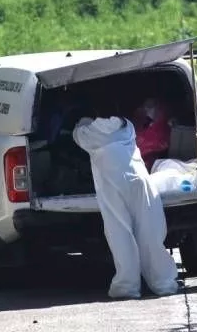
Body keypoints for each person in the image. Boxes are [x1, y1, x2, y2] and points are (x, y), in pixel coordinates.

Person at [72, 114, 179, 299]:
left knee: (120, 232)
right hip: (140, 180)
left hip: (113, 186)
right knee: (150, 232)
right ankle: (163, 283)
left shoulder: (87, 133)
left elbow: (76, 135)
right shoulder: (127, 126)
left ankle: (127, 286)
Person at [132, 96, 171, 171]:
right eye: (145, 106)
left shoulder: (162, 128)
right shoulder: (134, 127)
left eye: (149, 107)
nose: (146, 109)